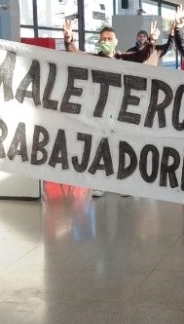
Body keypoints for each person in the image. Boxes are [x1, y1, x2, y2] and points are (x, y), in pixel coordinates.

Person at [63, 19, 151, 197]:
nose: (106, 42)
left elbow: (142, 56)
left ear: (116, 41)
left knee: (122, 146)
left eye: (109, 38)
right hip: (99, 110)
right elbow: (76, 54)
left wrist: (151, 42)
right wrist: (69, 39)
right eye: (103, 39)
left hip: (121, 110)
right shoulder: (94, 59)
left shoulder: (123, 58)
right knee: (99, 146)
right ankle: (99, 183)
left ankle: (123, 184)